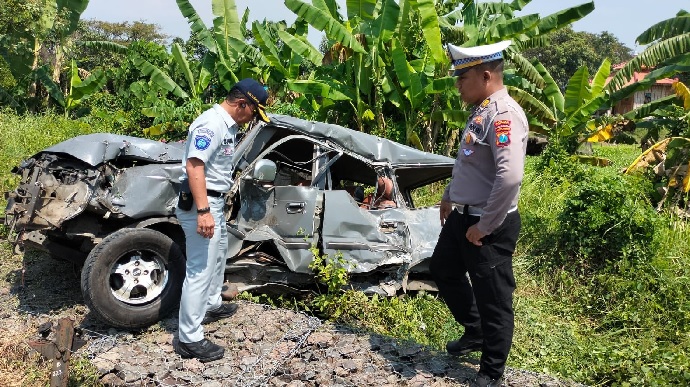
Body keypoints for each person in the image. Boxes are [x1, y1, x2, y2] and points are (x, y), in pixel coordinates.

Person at [429, 40, 528, 387]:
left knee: (494, 298)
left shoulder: (503, 115)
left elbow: (510, 176)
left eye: (462, 78)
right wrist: (449, 196)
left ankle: (491, 371)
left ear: (486, 75)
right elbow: (470, 164)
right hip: (463, 215)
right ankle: (475, 331)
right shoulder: (482, 109)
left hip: (489, 222)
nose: (458, 86)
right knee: (443, 269)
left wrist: (486, 225)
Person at [173, 78, 269, 363]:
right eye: (254, 111)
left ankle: (212, 304)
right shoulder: (211, 124)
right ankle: (189, 338)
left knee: (216, 260)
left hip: (214, 201)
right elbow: (194, 165)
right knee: (200, 269)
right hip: (202, 204)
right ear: (242, 104)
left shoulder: (226, 126)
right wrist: (203, 211)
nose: (252, 118)